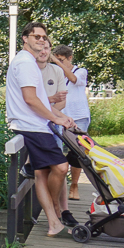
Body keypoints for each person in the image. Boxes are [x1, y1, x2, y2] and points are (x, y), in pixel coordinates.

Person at [4, 22, 76, 236]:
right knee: (62, 167)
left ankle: (54, 223)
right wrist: (56, 119)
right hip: (32, 126)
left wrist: (62, 116)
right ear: (25, 38)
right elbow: (31, 100)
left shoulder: (28, 62)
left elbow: (41, 99)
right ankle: (55, 206)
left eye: (44, 37)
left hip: (33, 124)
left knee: (42, 174)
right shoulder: (25, 63)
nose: (41, 40)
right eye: (36, 36)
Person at [52, 45, 90, 198]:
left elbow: (73, 79)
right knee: (57, 151)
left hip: (78, 116)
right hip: (59, 116)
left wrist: (55, 61)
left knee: (77, 152)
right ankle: (59, 186)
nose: (57, 64)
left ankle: (74, 185)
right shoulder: (55, 73)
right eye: (55, 60)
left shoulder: (80, 71)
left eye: (61, 60)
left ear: (70, 58)